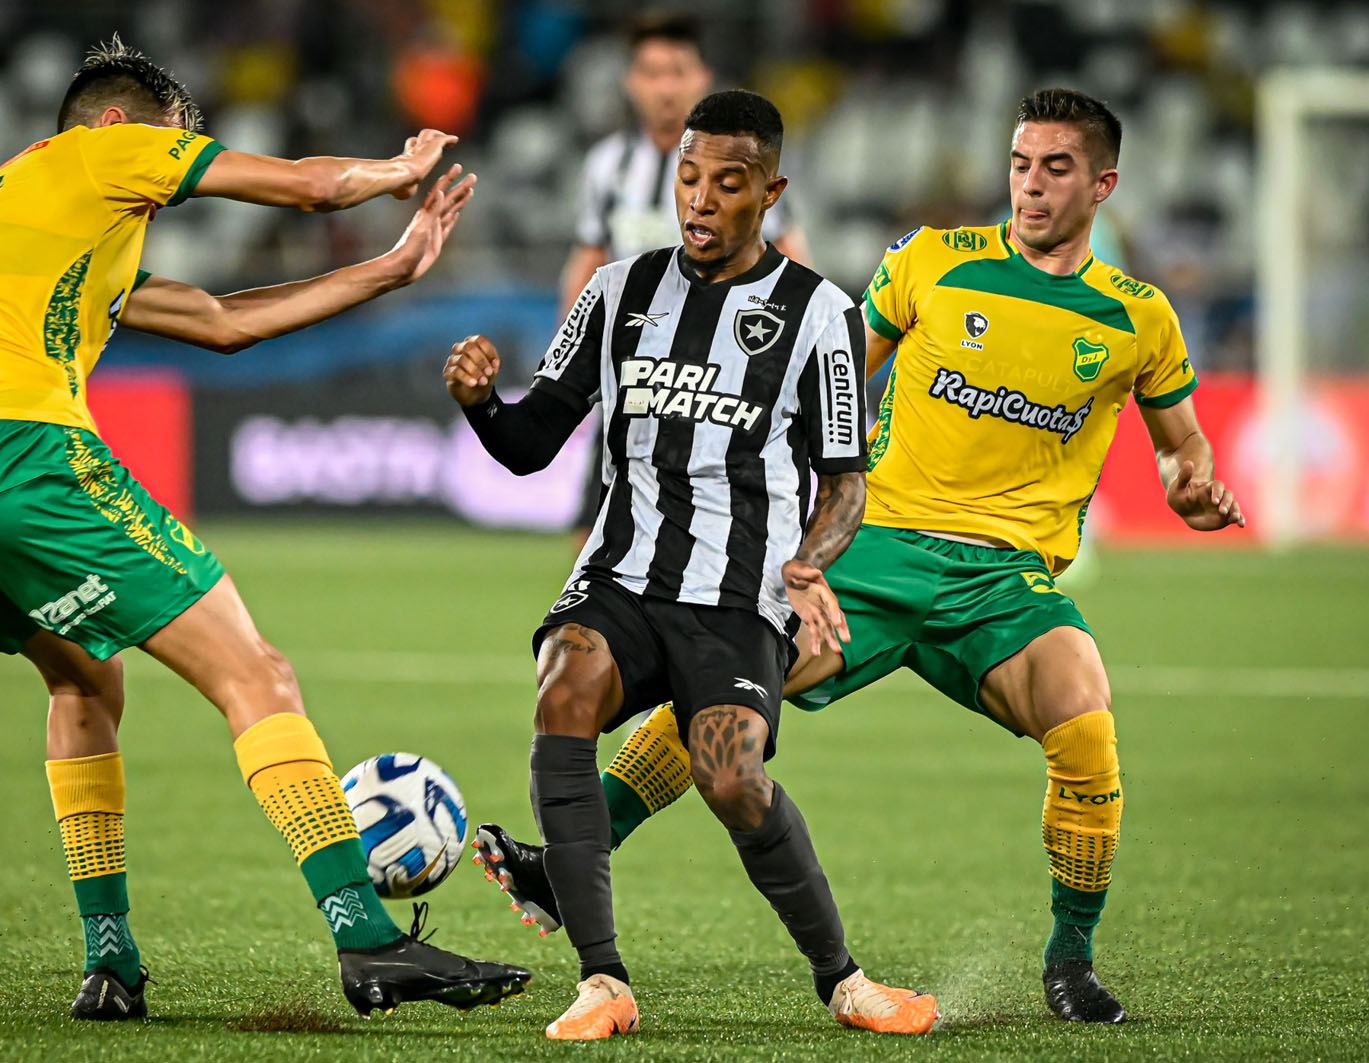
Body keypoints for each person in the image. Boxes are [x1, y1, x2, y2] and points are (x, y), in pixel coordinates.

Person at [471, 88, 1246, 1027]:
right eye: (1019, 164)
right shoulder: (933, 261)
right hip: (870, 551)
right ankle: (561, 871)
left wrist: (1188, 482)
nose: (1030, 186)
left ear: (1102, 184)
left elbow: (1179, 443)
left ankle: (1069, 959)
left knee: (1086, 727)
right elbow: (819, 379)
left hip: (1004, 579)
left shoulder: (1138, 317)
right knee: (719, 698)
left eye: (1055, 168)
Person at [0, 36, 528, 1022]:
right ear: (119, 125)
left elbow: (221, 322)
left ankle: (110, 962)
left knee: (82, 682)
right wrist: (393, 172)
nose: (161, 195)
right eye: (169, 153)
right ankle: (367, 938)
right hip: (26, 455)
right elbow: (308, 187)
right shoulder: (99, 151)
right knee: (255, 673)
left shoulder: (14, 213)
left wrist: (393, 268)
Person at [443, 89, 936, 1040]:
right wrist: (481, 404)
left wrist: (809, 564)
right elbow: (531, 444)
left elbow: (844, 482)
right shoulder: (614, 291)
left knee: (728, 775)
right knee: (563, 683)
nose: (701, 200)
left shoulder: (820, 314)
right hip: (622, 575)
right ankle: (602, 980)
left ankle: (843, 980)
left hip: (739, 593)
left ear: (770, 193)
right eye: (688, 177)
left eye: (728, 183)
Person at [562, 13, 811, 542]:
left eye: (677, 72)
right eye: (651, 73)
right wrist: (575, 358)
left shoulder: (742, 165)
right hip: (633, 374)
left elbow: (791, 257)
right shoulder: (608, 166)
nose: (665, 89)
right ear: (631, 82)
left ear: (702, 78)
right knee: (595, 529)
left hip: (720, 375)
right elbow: (588, 260)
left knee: (718, 525)